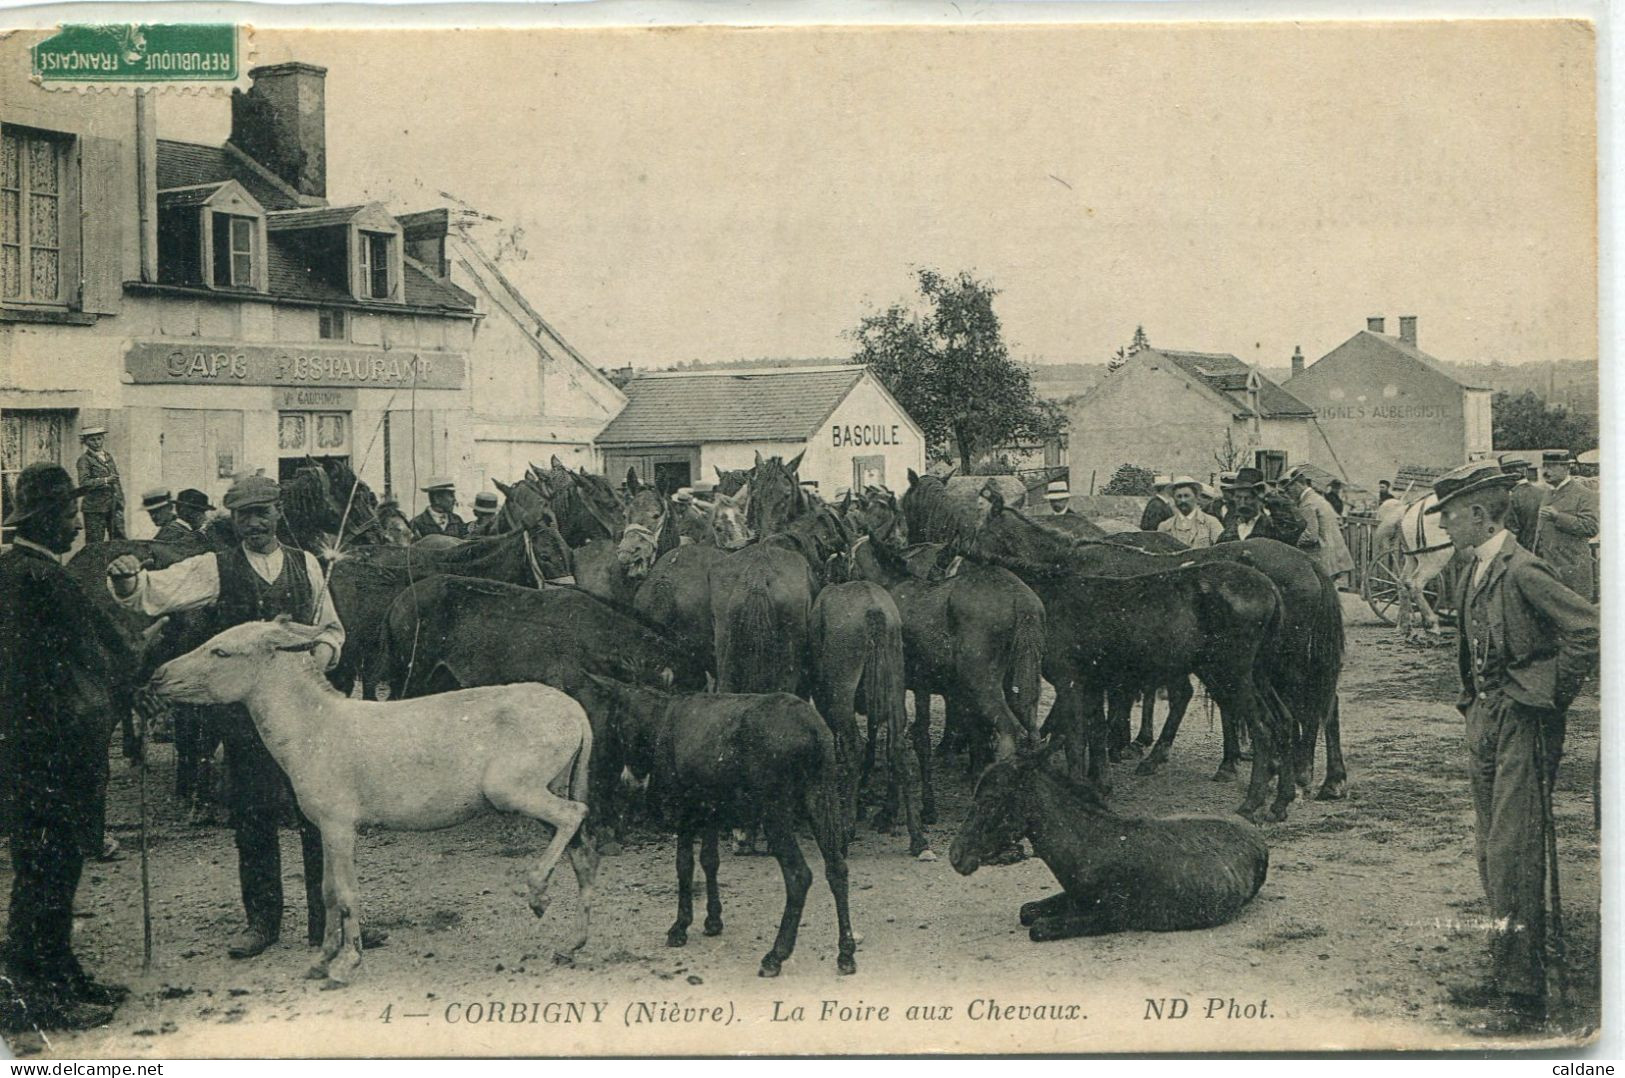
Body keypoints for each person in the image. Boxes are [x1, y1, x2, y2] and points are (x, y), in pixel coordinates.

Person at [105, 474, 382, 960]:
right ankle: (262, 923)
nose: (254, 523)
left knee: (320, 817)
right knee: (252, 816)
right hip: (245, 718)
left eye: (263, 512)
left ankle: (333, 920)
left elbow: (332, 629)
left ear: (279, 513)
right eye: (243, 515)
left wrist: (322, 651)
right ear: (231, 520)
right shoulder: (216, 567)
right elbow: (154, 592)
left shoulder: (308, 566)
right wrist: (127, 576)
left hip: (309, 723)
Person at [1428, 461, 1598, 1035]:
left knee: (1513, 851)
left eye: (1449, 516)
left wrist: (1550, 697)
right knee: (1489, 848)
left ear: (1479, 514)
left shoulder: (1523, 568)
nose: (1445, 526)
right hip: (1485, 716)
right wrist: (1475, 703)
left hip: (1523, 718)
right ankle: (1509, 972)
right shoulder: (1474, 566)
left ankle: (1525, 990)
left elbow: (1588, 629)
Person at [1, 464, 134, 1032]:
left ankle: (57, 972)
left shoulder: (14, 572)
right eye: (72, 516)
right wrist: (134, 669)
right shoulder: (43, 580)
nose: (80, 527)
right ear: (49, 519)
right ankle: (38, 996)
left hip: (25, 753)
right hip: (52, 754)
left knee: (44, 869)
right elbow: (95, 655)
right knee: (51, 871)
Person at [1533, 451, 1599, 600]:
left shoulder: (1584, 494)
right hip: (1549, 570)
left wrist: (1558, 517)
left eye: (1551, 466)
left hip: (1571, 573)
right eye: (1544, 466)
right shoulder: (1548, 493)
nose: (1546, 471)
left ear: (1565, 467)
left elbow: (1591, 528)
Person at [1283, 467, 1354, 582]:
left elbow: (1310, 536)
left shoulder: (1307, 503)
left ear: (1297, 484)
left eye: (1288, 488)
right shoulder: (1317, 498)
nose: (1287, 493)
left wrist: (1291, 544)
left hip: (1322, 559)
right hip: (1335, 556)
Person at [75, 426, 125, 544]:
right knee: (95, 543)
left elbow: (117, 480)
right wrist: (106, 480)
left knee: (118, 541)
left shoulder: (108, 456)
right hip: (95, 508)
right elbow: (84, 483)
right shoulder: (84, 460)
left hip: (113, 506)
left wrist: (121, 501)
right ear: (85, 442)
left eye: (99, 439)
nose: (97, 443)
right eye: (92, 440)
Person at [1217, 468, 1295, 543]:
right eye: (1238, 497)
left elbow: (1294, 526)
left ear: (1259, 498)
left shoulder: (1272, 527)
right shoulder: (1229, 530)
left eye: (1248, 498)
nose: (1242, 503)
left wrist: (1270, 495)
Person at [1157, 476, 1222, 548]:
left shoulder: (1211, 523)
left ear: (1196, 497)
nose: (1183, 500)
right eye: (1179, 496)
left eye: (1187, 496)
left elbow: (1221, 551)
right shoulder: (1165, 527)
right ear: (1174, 499)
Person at [1499, 454, 1544, 553]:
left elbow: (1511, 532)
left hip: (1522, 554)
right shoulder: (1543, 493)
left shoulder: (1511, 498)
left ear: (1509, 473)